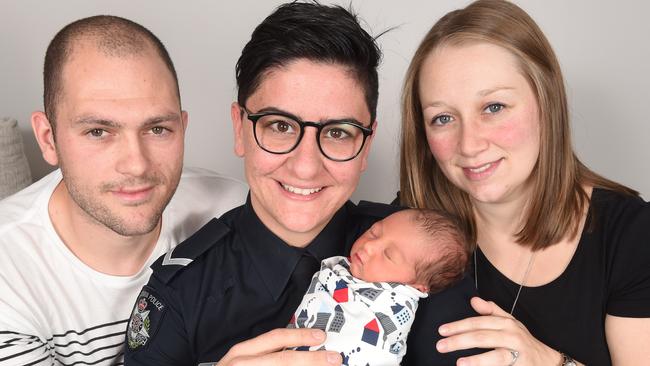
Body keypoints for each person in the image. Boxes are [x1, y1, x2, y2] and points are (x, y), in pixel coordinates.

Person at [124, 2, 480, 366]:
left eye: (338, 132)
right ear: (240, 129)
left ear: (365, 147)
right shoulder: (180, 292)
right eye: (280, 126)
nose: (306, 167)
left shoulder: (421, 256)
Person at [399, 0, 650, 365]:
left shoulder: (633, 236)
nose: (469, 144)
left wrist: (550, 362)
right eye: (442, 118)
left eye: (494, 107)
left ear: (547, 103)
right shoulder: (403, 227)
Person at [0, 16, 247, 365]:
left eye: (158, 129)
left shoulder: (235, 211)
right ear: (48, 138)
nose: (137, 164)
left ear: (182, 127)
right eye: (98, 131)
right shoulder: (7, 274)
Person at [289, 208, 469, 365]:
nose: (369, 246)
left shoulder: (394, 304)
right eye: (374, 232)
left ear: (417, 287)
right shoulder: (347, 266)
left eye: (389, 255)